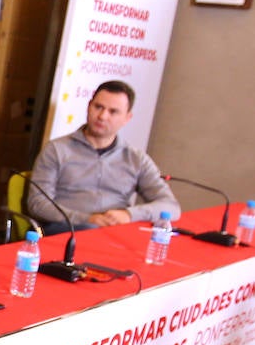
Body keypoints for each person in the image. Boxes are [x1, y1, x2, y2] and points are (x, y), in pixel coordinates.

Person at [26, 79, 179, 236]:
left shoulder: (136, 158)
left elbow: (170, 207)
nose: (102, 116)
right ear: (88, 106)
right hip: (67, 230)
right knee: (91, 231)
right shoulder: (56, 149)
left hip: (115, 233)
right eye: (98, 107)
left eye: (113, 112)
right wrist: (88, 219)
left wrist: (129, 215)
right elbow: (38, 204)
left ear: (127, 118)